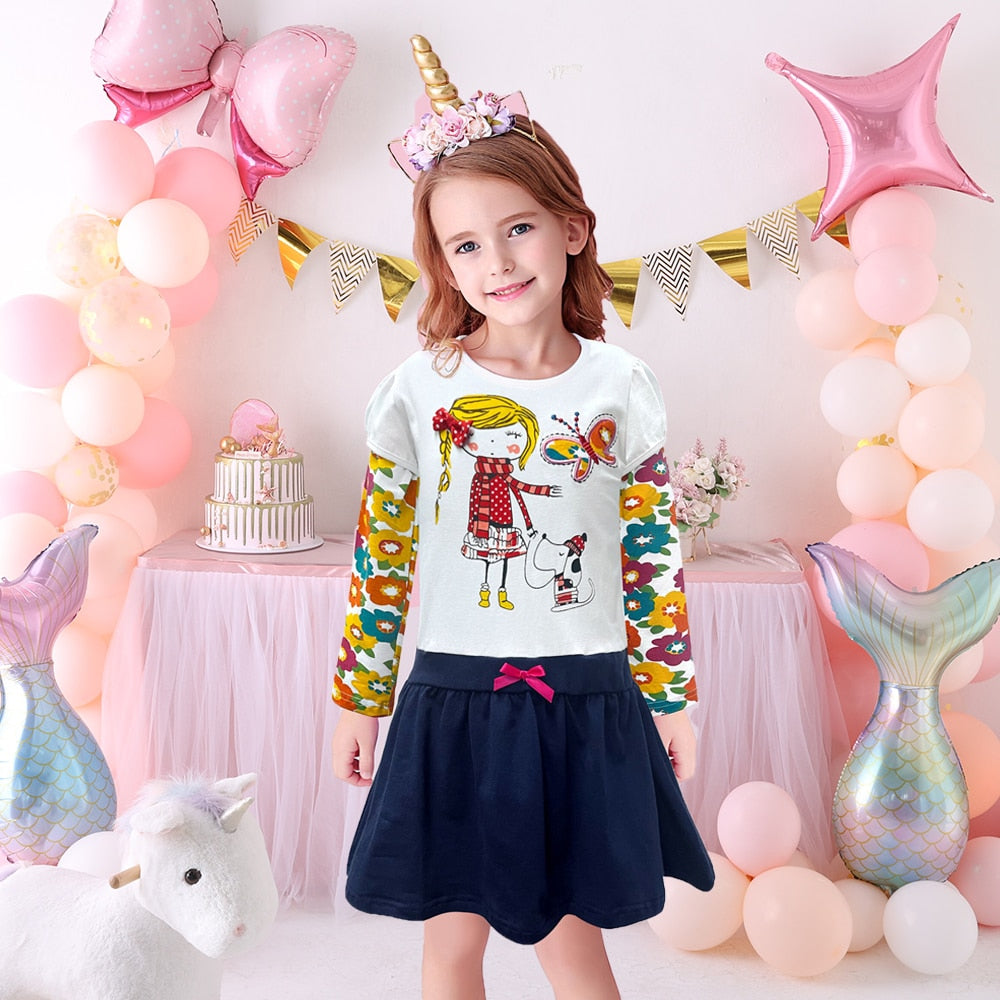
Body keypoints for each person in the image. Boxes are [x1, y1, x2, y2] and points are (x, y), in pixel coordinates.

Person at [331, 36, 714, 1000]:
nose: (497, 261)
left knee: (574, 947)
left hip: (586, 700)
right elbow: (381, 558)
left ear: (571, 228)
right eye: (466, 245)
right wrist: (359, 696)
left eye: (518, 229)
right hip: (453, 701)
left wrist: (670, 696)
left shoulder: (622, 385)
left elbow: (651, 555)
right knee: (451, 945)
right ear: (442, 263)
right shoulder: (419, 389)